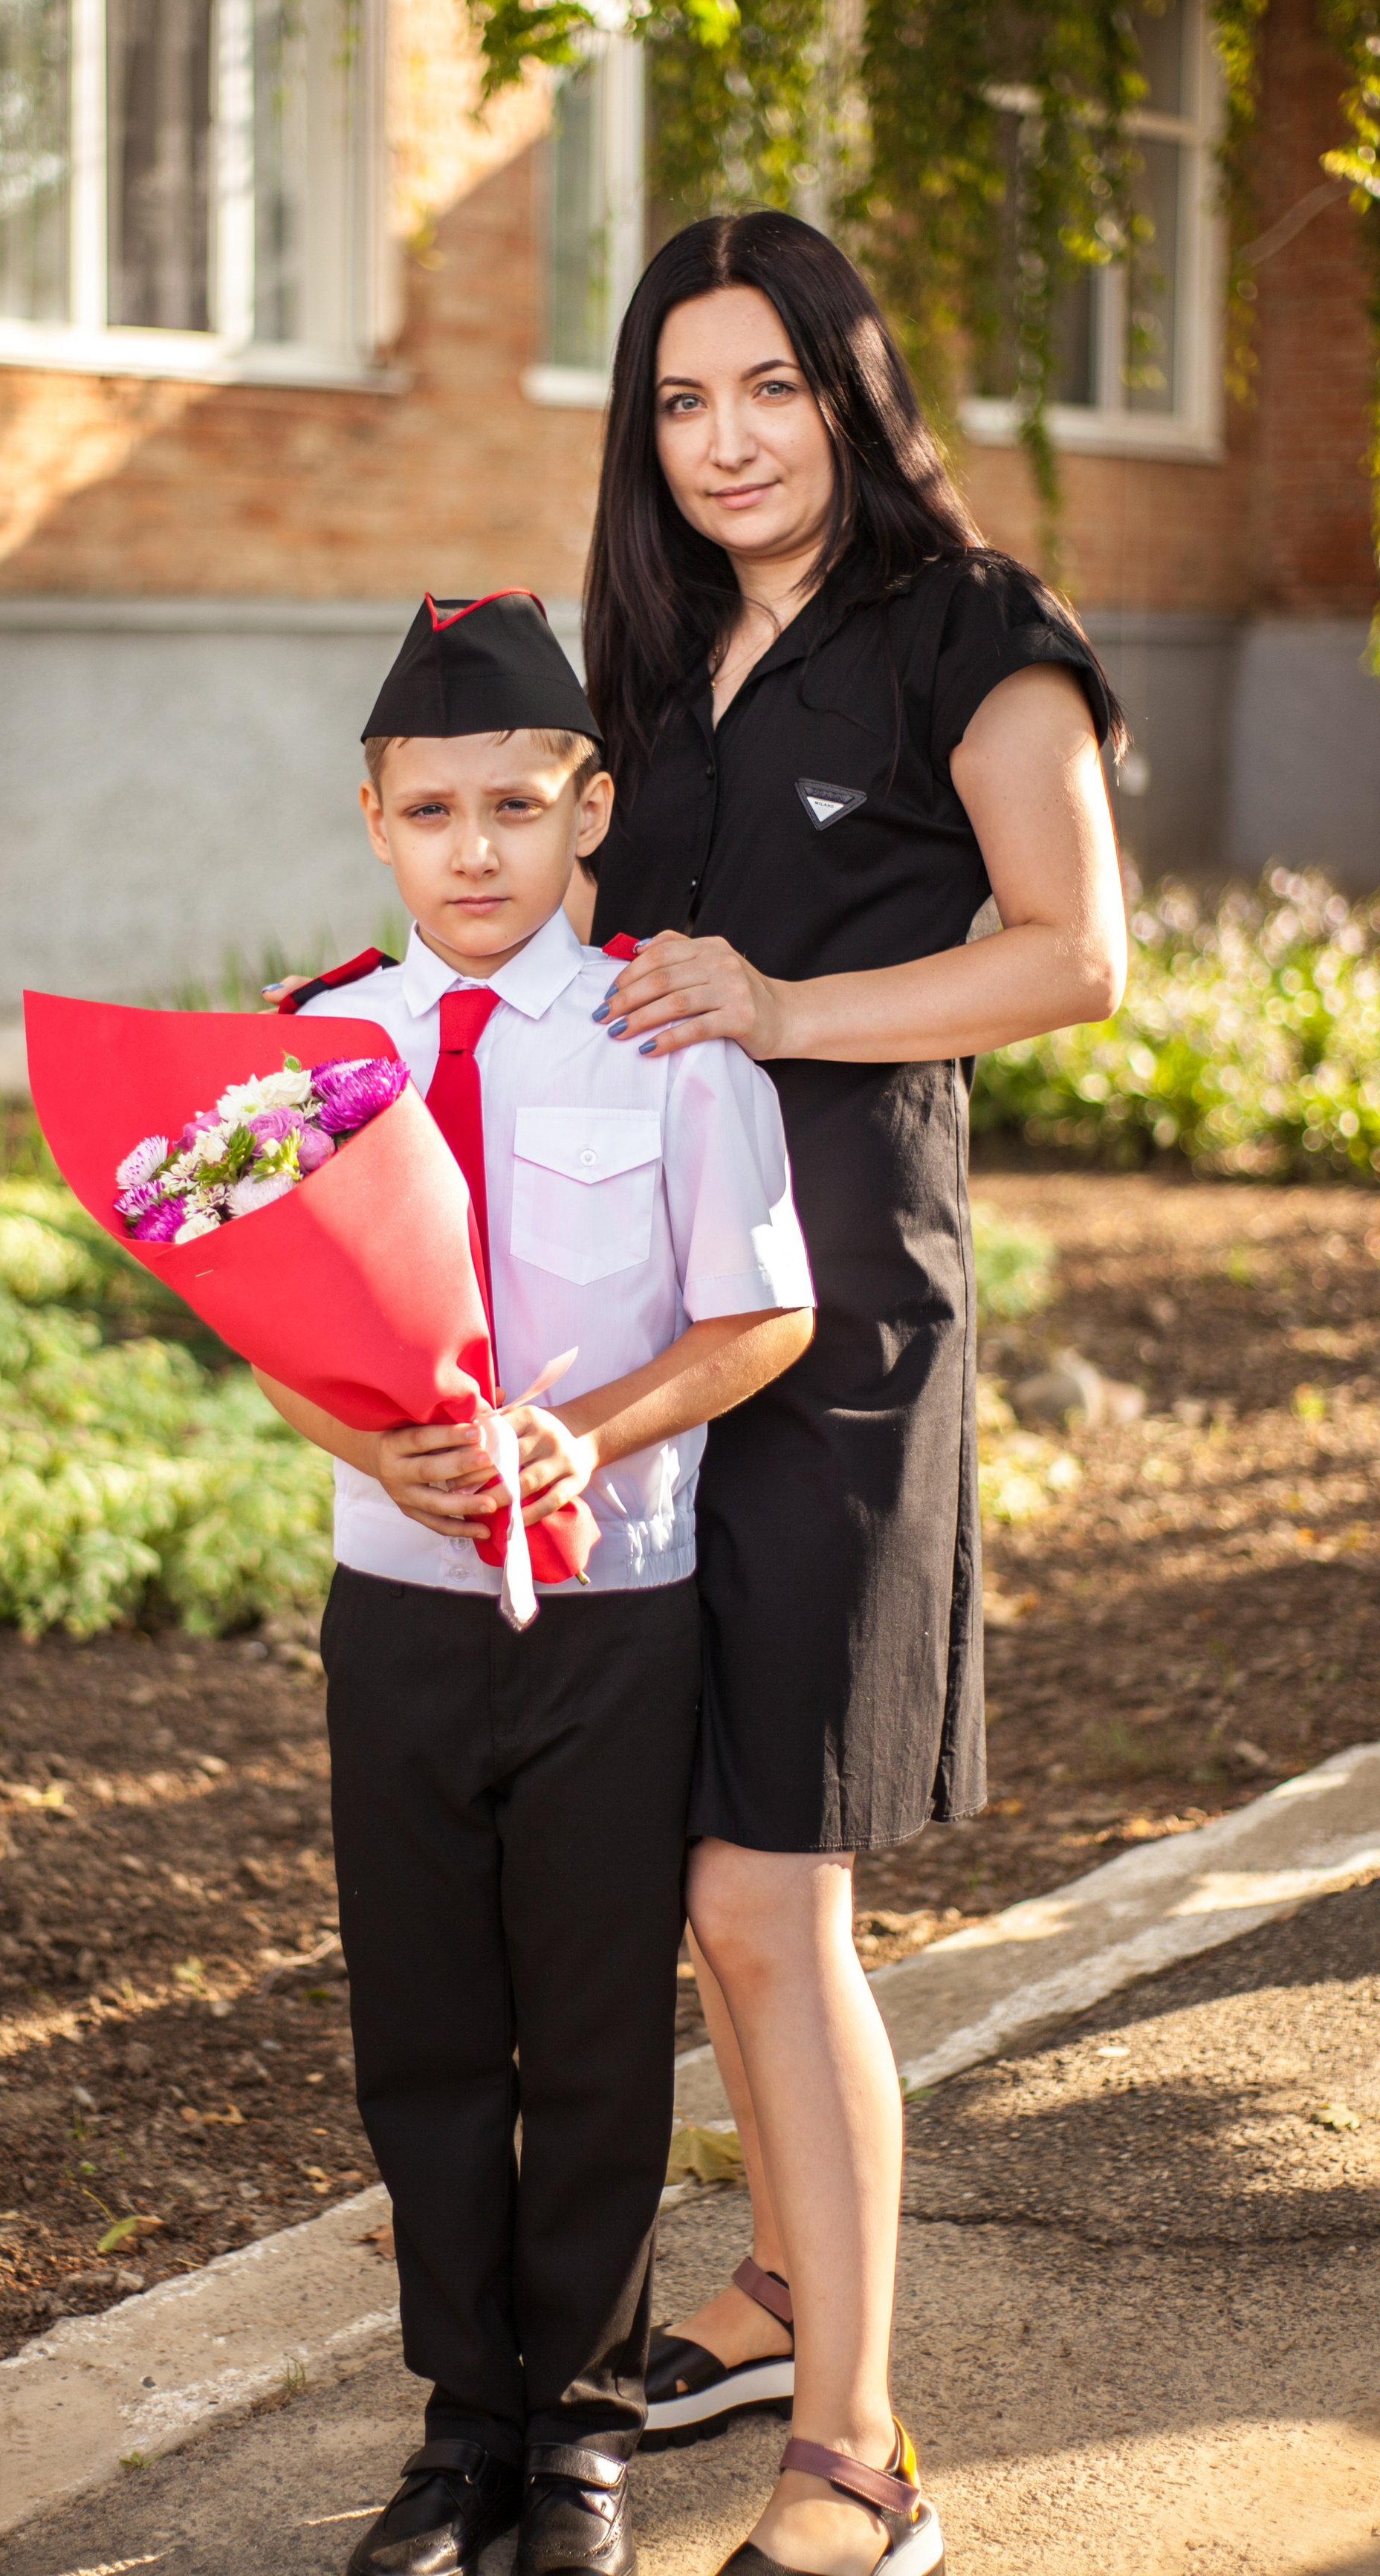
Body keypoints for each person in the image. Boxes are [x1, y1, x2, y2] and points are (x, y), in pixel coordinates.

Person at [580, 212, 1130, 2576]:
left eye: (768, 392)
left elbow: (1076, 958)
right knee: (709, 1894)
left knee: (762, 1889)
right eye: (684, 401)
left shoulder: (973, 634)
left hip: (850, 1342)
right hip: (660, 1333)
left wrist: (789, 1010)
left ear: (847, 390)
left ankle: (864, 2460)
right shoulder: (655, 653)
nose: (726, 444)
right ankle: (795, 2275)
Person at [254, 587, 817, 2576]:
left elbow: (764, 1311)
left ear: (590, 807)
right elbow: (270, 1318)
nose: (475, 852)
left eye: (516, 805)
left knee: (587, 2035)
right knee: (421, 2034)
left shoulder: (665, 1027)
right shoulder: (321, 1046)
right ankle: (458, 2430)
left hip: (611, 1611)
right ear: (374, 822)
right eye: (433, 813)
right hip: (394, 1604)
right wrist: (355, 1437)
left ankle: (575, 2436)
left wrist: (612, 1428)